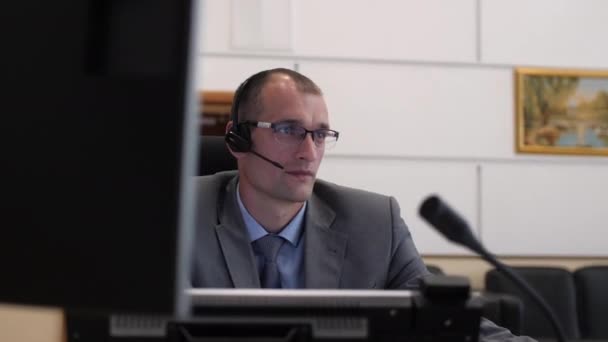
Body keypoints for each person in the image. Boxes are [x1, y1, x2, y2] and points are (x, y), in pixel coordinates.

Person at [191, 68, 535, 341]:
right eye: (288, 129)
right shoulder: (178, 218)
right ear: (237, 139)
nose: (309, 153)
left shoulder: (373, 223)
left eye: (321, 134)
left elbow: (444, 323)